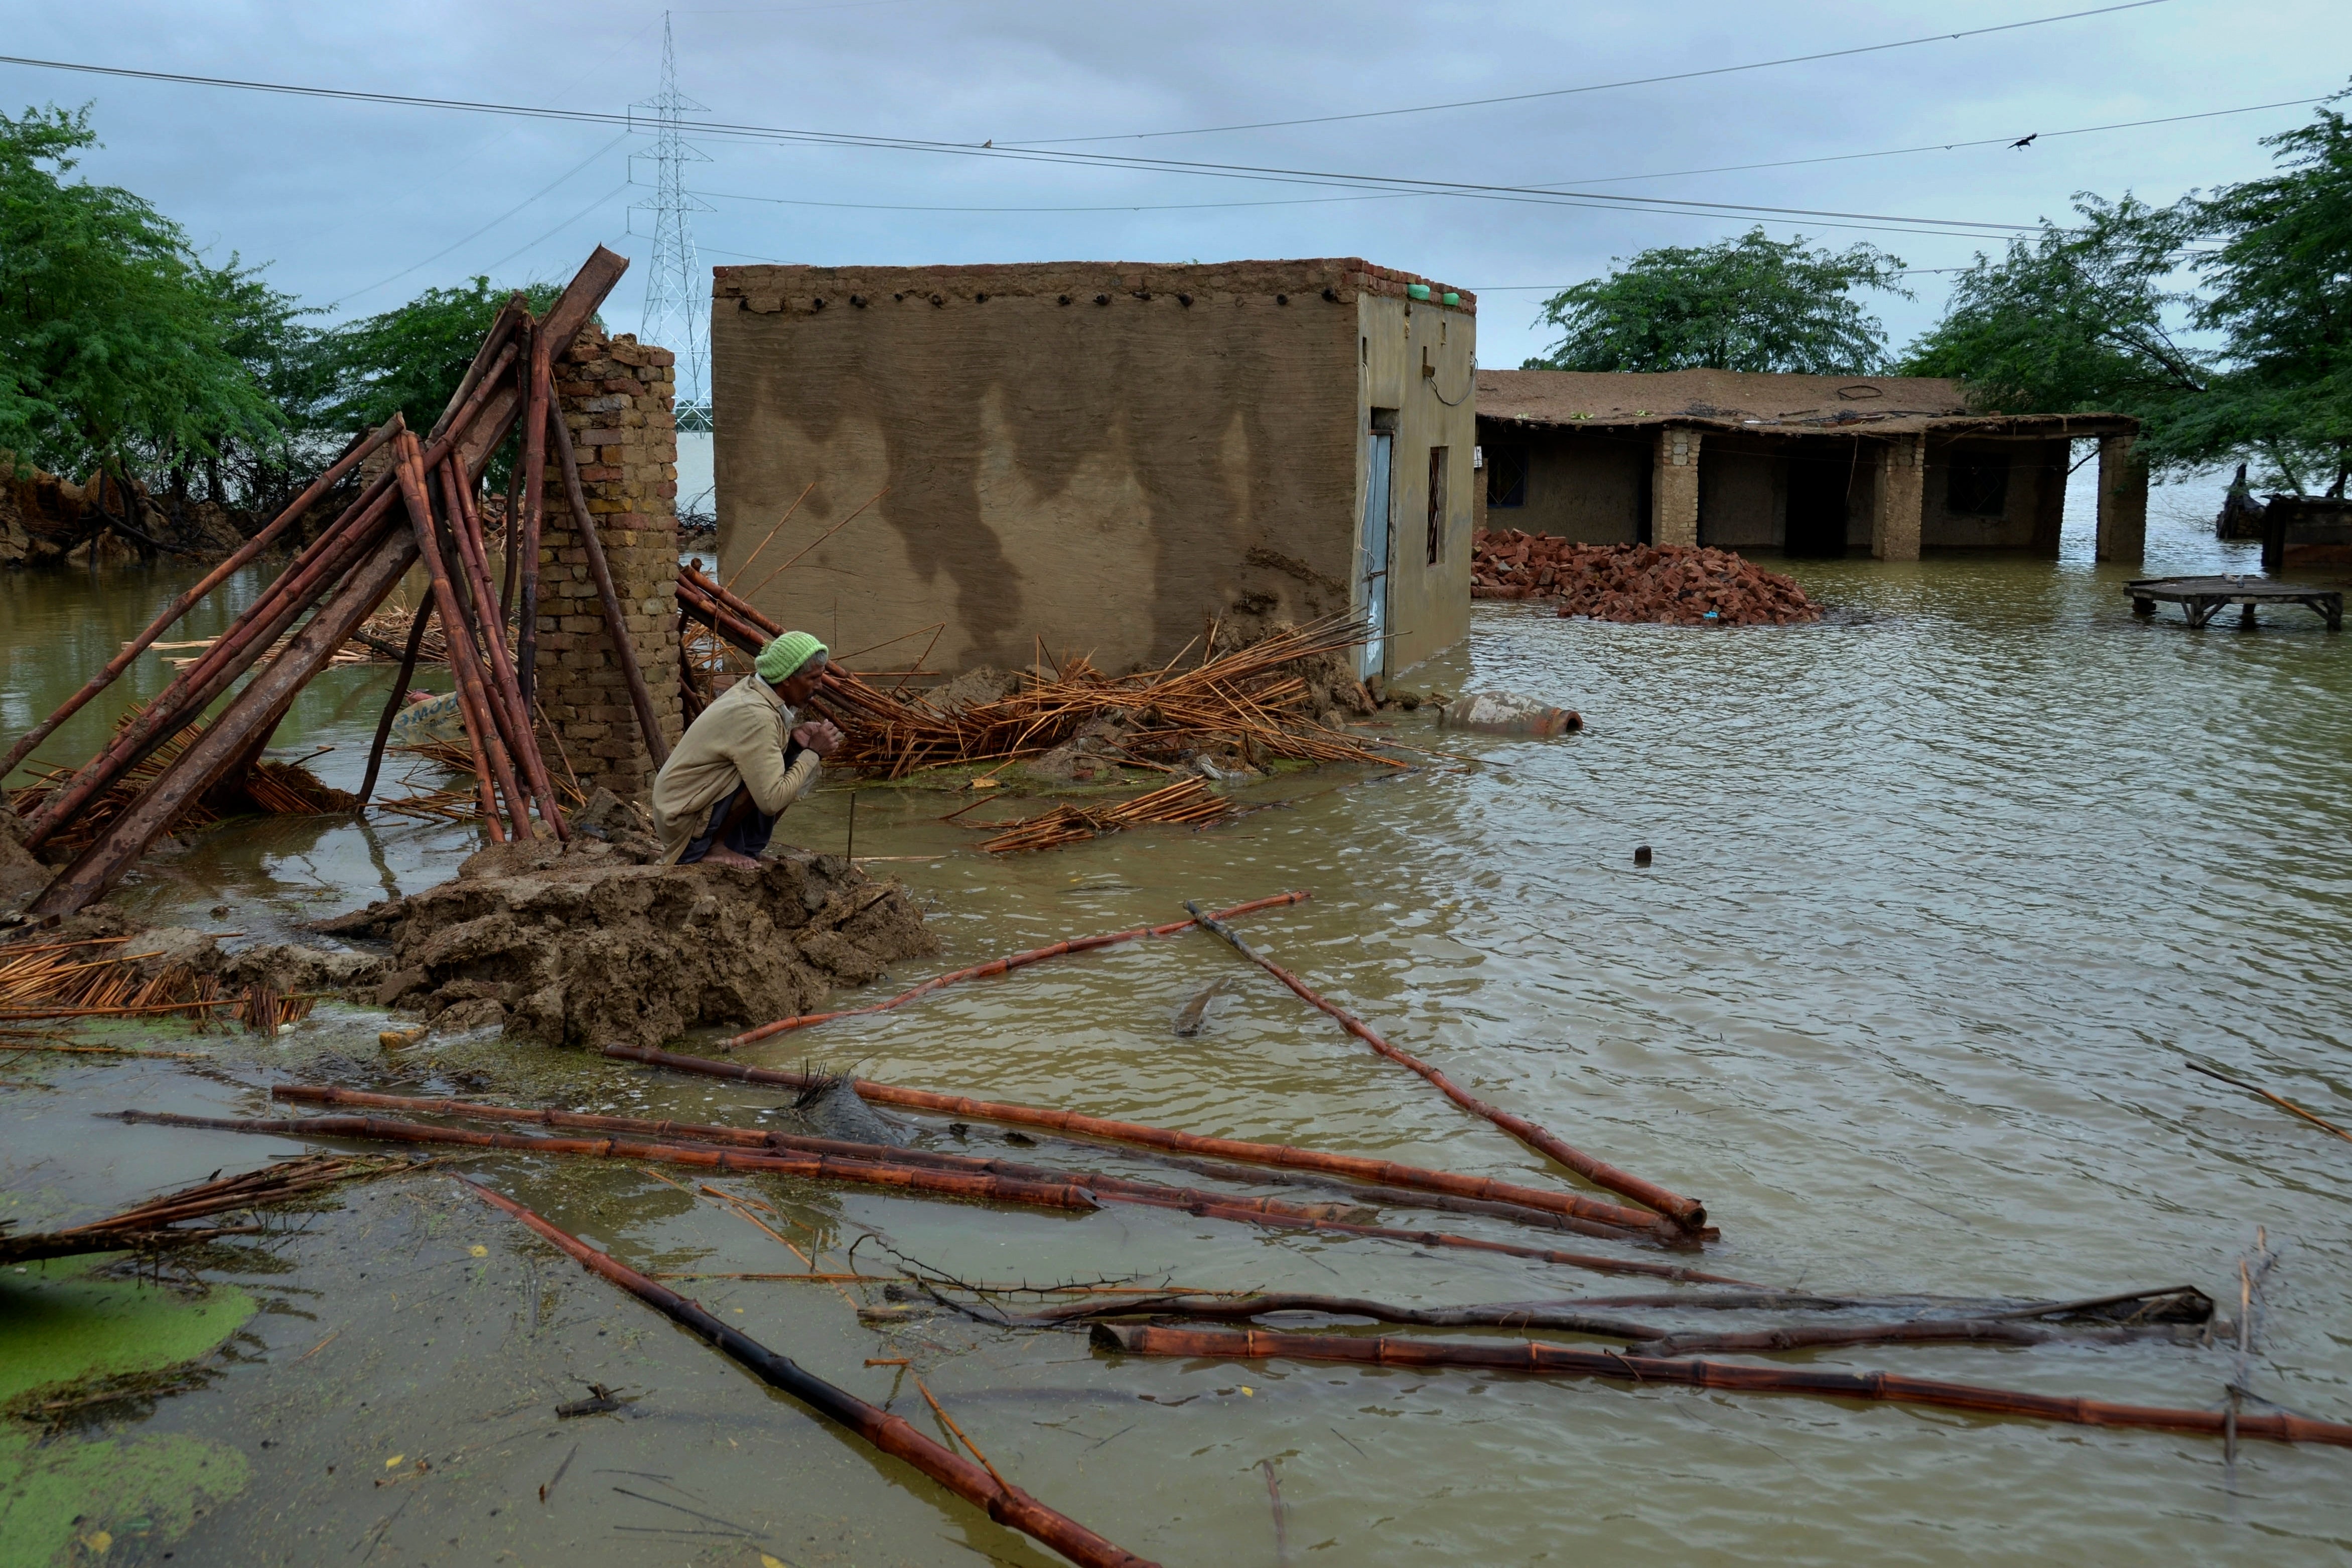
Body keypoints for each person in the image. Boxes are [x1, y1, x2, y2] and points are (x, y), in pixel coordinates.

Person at [652, 630, 844, 867]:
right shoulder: (756, 715)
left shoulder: (758, 692)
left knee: (783, 760)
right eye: (813, 678)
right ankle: (713, 847)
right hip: (682, 817)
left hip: (686, 803)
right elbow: (772, 800)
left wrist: (794, 743)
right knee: (779, 775)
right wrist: (812, 753)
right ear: (787, 679)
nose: (820, 686)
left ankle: (745, 848)